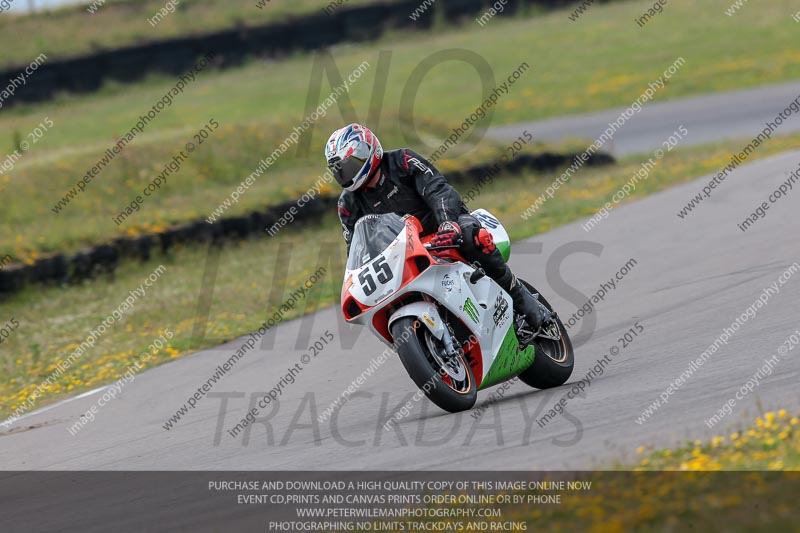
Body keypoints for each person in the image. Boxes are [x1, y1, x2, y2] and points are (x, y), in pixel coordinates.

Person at [326, 123, 552, 331]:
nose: (347, 174)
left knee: (473, 236)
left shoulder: (403, 161)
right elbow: (355, 247)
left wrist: (447, 223)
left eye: (349, 165)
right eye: (340, 170)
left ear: (368, 151)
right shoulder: (348, 204)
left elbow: (438, 189)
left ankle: (521, 298)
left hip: (442, 230)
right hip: (402, 254)